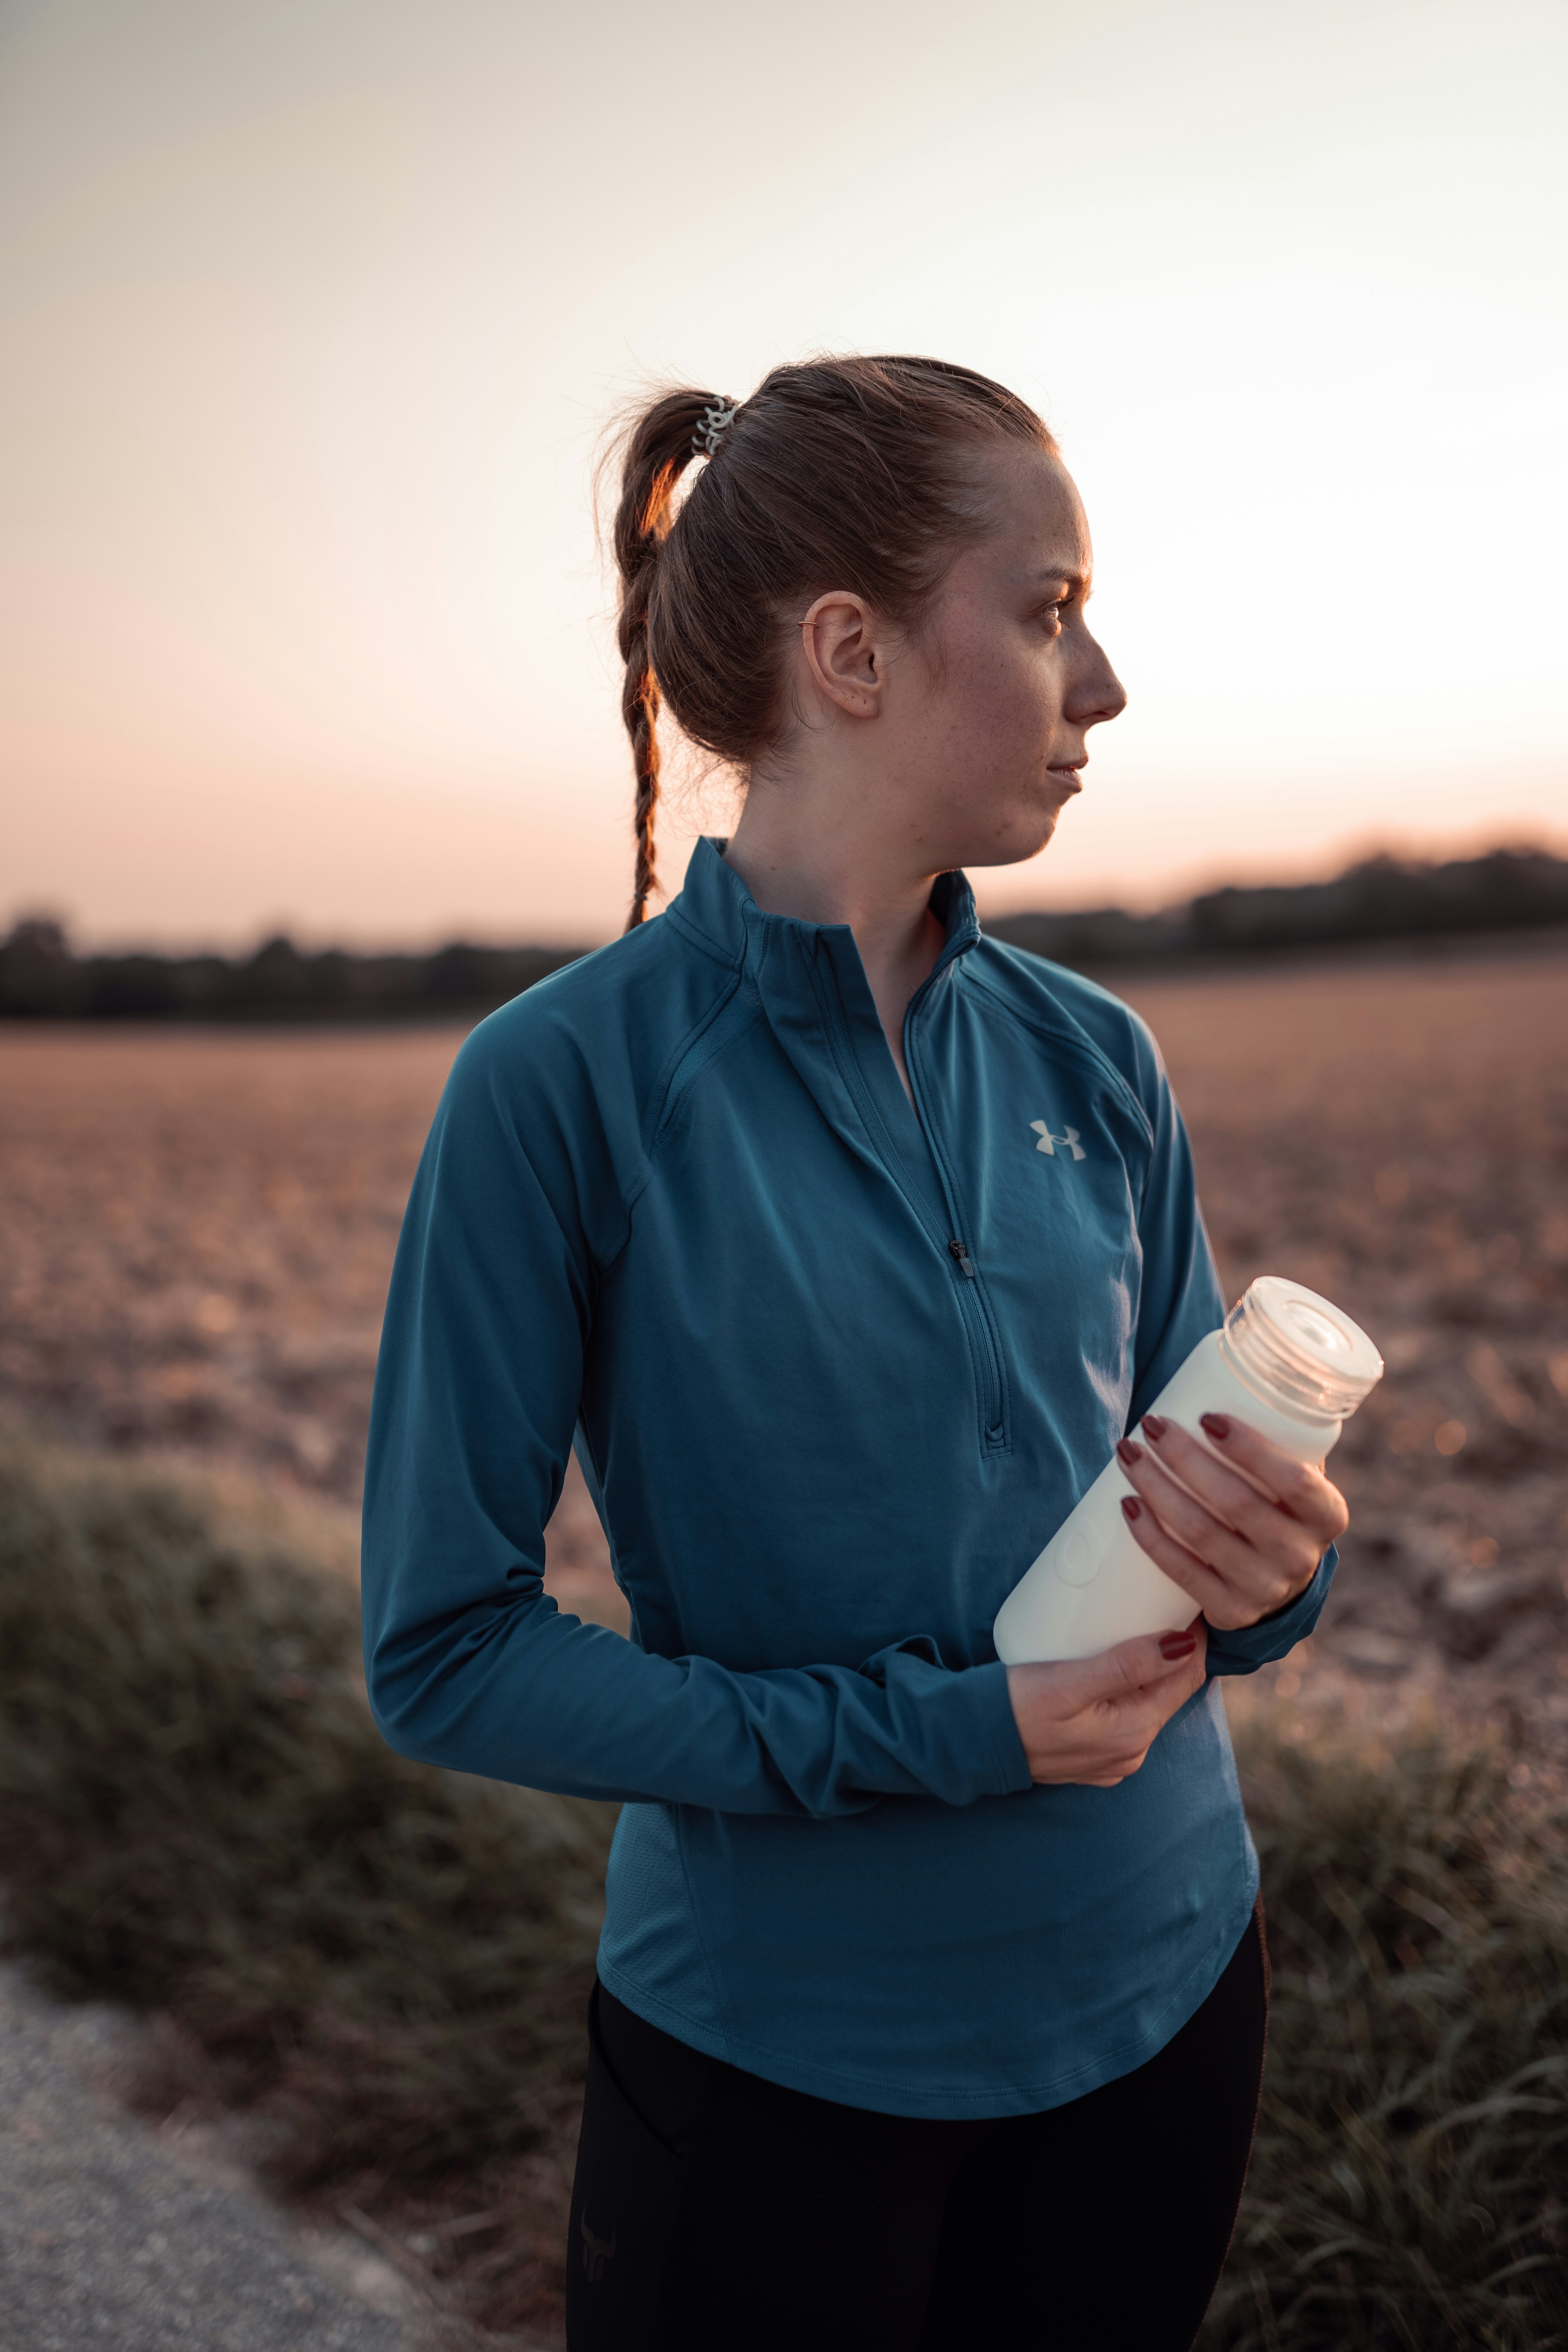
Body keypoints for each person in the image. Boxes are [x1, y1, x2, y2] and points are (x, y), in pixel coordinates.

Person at [360, 356, 1348, 2351]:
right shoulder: (556, 1088)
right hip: (779, 2067)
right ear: (852, 652)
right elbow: (442, 1650)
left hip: (1169, 1990)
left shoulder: (1100, 1056)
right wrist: (937, 1737)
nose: (1106, 685)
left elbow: (1194, 1540)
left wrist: (1274, 1575)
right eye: (1050, 610)